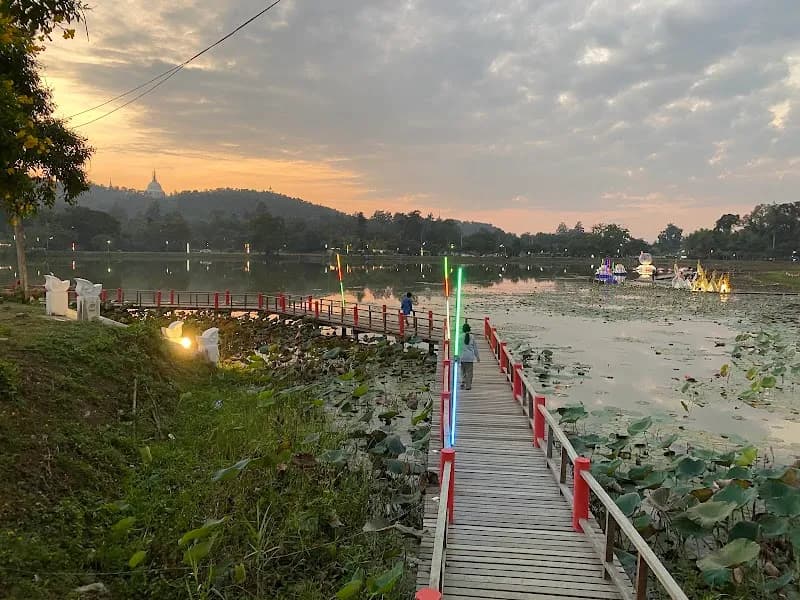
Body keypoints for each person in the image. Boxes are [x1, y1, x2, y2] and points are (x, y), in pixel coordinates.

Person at [459, 322, 479, 390]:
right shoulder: (472, 337)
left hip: (462, 357)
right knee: (469, 372)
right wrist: (477, 357)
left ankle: (463, 381)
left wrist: (456, 356)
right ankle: (468, 386)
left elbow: (458, 348)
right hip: (469, 358)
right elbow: (475, 348)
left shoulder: (460, 337)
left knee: (463, 371)